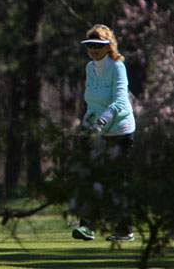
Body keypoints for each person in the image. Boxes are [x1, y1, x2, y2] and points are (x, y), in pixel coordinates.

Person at [72, 24, 137, 242]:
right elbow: (91, 102)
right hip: (98, 129)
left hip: (120, 130)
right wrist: (88, 124)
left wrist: (102, 120)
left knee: (119, 181)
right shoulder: (90, 68)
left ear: (108, 45)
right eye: (90, 46)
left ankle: (125, 229)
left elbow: (120, 100)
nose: (93, 50)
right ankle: (86, 226)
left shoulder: (117, 66)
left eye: (98, 45)